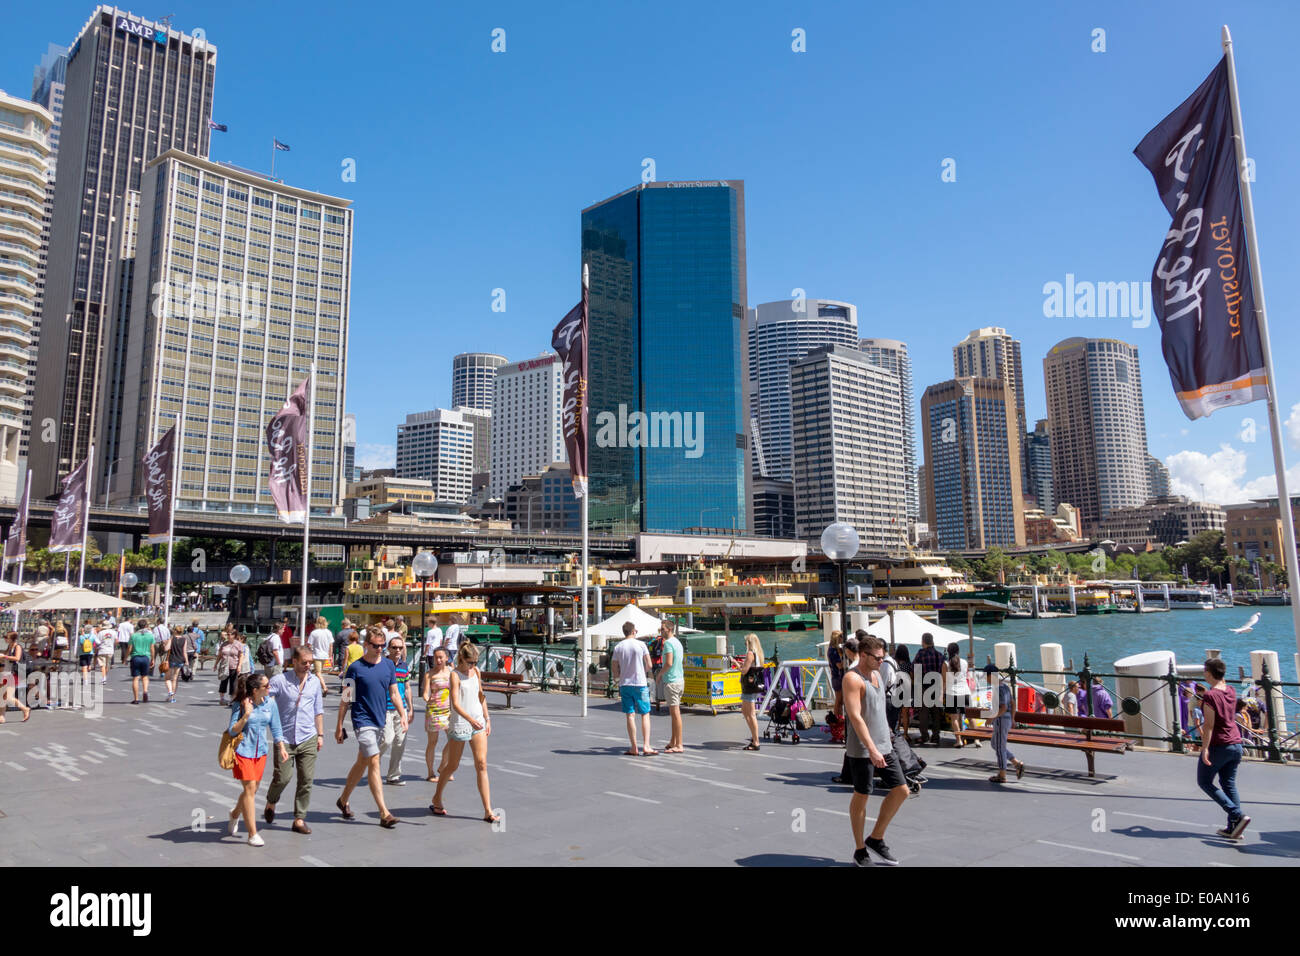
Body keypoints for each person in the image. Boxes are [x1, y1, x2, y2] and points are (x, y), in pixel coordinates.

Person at [843, 635, 909, 866]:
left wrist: (888, 738)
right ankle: (860, 850)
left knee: (902, 790)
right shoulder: (852, 679)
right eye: (878, 658)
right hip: (863, 748)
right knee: (862, 795)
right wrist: (871, 748)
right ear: (864, 655)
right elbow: (855, 716)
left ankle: (876, 838)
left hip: (885, 744)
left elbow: (879, 711)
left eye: (883, 657)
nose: (882, 661)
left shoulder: (878, 674)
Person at [335, 625, 407, 828]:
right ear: (366, 645)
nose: (380, 649)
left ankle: (343, 800)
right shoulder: (355, 668)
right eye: (376, 646)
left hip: (380, 719)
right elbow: (345, 699)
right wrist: (339, 725)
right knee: (374, 761)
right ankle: (384, 813)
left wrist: (402, 714)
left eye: (383, 646)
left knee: (362, 762)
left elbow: (394, 693)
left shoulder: (388, 666)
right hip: (362, 721)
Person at [430, 642, 497, 822]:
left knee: (482, 764)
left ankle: (488, 811)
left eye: (475, 662)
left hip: (478, 722)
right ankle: (437, 797)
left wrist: (487, 718)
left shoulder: (476, 672)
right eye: (470, 662)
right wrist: (470, 719)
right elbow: (456, 704)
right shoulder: (455, 675)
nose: (472, 666)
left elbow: (480, 695)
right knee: (452, 765)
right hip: (461, 722)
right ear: (461, 659)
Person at [263, 646, 324, 835]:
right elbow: (265, 699)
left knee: (306, 779)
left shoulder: (314, 682)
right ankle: (271, 801)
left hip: (308, 737)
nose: (308, 666)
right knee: (283, 778)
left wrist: (320, 735)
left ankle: (299, 818)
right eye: (304, 662)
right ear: (295, 661)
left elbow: (318, 710)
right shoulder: (280, 681)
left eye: (310, 663)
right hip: (285, 739)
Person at [225, 673, 287, 847]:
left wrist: (281, 747)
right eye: (266, 686)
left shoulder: (270, 703)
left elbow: (276, 726)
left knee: (251, 790)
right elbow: (232, 731)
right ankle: (252, 834)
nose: (269, 688)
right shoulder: (241, 704)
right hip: (243, 751)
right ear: (255, 690)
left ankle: (235, 813)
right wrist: (246, 715)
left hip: (260, 752)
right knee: (250, 789)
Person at [1198, 658, 1249, 840]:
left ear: (1209, 673)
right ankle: (1233, 828)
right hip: (1236, 744)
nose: (1203, 673)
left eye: (1205, 670)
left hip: (1220, 745)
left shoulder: (1210, 696)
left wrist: (1205, 749)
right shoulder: (1231, 690)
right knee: (1228, 783)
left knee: (1204, 781)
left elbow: (1209, 726)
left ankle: (1236, 814)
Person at [610, 621, 656, 756]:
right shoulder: (641, 645)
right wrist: (643, 671)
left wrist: (617, 678)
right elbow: (649, 664)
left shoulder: (618, 647)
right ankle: (646, 746)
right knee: (645, 714)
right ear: (634, 631)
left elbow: (614, 667)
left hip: (625, 684)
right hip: (640, 683)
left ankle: (634, 747)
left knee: (630, 715)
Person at [382, 635, 412, 785]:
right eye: (395, 647)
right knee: (387, 739)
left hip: (401, 709)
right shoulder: (382, 664)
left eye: (401, 647)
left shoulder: (404, 666)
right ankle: (370, 762)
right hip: (385, 708)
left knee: (400, 741)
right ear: (388, 648)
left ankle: (393, 775)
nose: (398, 650)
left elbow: (407, 688)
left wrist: (410, 709)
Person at [422, 646, 453, 782]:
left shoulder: (452, 673)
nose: (438, 660)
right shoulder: (430, 674)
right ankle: (430, 772)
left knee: (454, 740)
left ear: (446, 658)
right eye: (436, 657)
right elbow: (425, 693)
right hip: (434, 710)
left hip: (448, 711)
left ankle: (443, 767)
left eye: (441, 657)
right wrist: (427, 699)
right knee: (432, 742)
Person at [988, 673, 1025, 783]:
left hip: (1001, 720)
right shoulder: (1005, 686)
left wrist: (991, 718)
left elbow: (1003, 707)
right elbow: (1013, 703)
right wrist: (1012, 718)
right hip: (1007, 719)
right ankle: (1016, 763)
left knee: (999, 747)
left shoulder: (998, 689)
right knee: (995, 744)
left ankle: (1002, 774)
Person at [913, 632, 946, 746]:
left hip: (924, 687)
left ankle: (924, 736)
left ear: (923, 641)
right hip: (937, 686)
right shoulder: (940, 655)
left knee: (924, 713)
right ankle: (936, 736)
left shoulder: (921, 654)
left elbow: (915, 669)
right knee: (936, 713)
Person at [660, 619, 685, 753]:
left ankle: (679, 744)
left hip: (672, 681)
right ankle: (673, 741)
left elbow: (668, 663)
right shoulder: (678, 642)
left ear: (669, 630)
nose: (661, 631)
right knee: (674, 713)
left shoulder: (668, 643)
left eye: (662, 629)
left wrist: (659, 675)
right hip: (679, 680)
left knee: (675, 714)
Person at [739, 632, 764, 751]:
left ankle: (756, 741)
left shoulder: (750, 653)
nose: (745, 644)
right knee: (745, 711)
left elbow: (744, 671)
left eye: (746, 642)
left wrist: (735, 664)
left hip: (749, 687)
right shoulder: (759, 654)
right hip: (754, 686)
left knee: (750, 714)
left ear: (749, 643)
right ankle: (754, 739)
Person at [0, 631, 31, 723]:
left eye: (6, 637)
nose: (5, 639)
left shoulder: (17, 647)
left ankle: (25, 709)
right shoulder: (9, 647)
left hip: (13, 674)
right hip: (7, 674)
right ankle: (1, 717)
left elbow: (17, 658)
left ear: (11, 639)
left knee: (8, 697)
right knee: (2, 696)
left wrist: (4, 656)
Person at [944, 642, 969, 747]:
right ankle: (964, 738)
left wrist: (942, 693)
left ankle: (958, 740)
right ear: (958, 651)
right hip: (964, 691)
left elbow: (944, 681)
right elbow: (965, 675)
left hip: (951, 692)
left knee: (954, 718)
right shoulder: (964, 662)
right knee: (962, 717)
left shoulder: (946, 664)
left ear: (948, 651)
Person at [128, 621, 155, 704]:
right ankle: (145, 691)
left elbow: (129, 648)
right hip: (146, 657)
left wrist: (125, 658)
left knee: (136, 678)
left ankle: (136, 699)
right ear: (146, 626)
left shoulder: (134, 636)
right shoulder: (150, 636)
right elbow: (152, 649)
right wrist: (153, 659)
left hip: (135, 657)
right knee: (145, 676)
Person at [217, 628, 244, 705]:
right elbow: (220, 655)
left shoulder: (238, 644)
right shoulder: (224, 644)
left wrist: (239, 666)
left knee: (233, 683)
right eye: (227, 634)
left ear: (234, 635)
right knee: (223, 682)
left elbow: (241, 655)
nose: (228, 636)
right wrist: (216, 664)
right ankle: (222, 699)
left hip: (234, 666)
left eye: (229, 634)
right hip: (224, 666)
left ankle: (232, 699)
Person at [307, 617, 334, 694]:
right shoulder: (328, 632)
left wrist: (311, 650)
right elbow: (331, 645)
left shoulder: (314, 633)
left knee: (318, 673)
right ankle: (316, 687)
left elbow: (309, 644)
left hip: (316, 655)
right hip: (325, 655)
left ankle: (324, 687)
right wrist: (330, 656)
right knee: (318, 672)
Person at [827, 630, 845, 722]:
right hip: (838, 677)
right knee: (839, 700)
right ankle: (837, 720)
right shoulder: (834, 651)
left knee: (840, 701)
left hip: (836, 676)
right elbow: (840, 665)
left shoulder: (833, 649)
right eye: (841, 636)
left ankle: (839, 719)